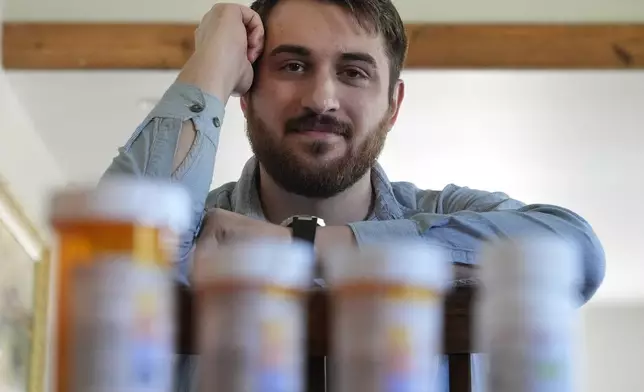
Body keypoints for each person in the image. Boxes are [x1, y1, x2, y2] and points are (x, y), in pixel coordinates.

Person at [103, 0, 606, 390]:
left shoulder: (444, 214)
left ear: (393, 105)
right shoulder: (192, 230)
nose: (321, 99)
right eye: (293, 66)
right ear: (247, 91)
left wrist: (305, 246)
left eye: (354, 72)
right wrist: (211, 63)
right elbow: (112, 259)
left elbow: (574, 254)